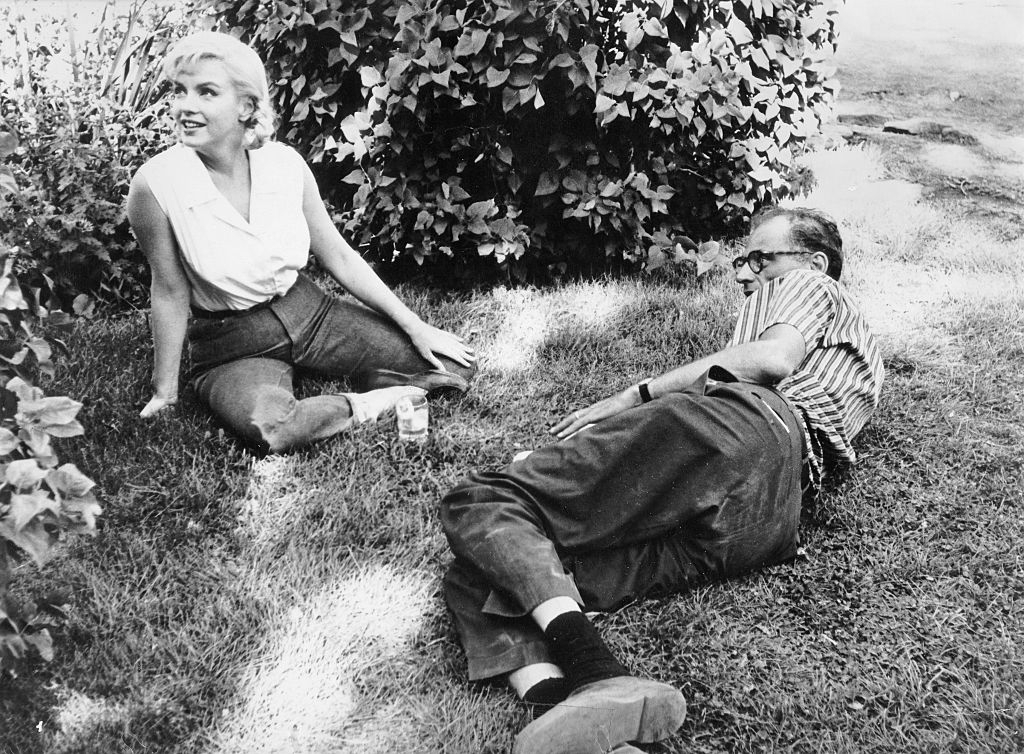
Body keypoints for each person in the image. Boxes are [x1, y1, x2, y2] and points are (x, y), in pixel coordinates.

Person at [439, 207, 884, 753]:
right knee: (483, 572)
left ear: (814, 261)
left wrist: (634, 396)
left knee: (483, 499)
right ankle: (565, 710)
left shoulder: (813, 283)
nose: (745, 274)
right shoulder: (862, 358)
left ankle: (595, 668)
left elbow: (771, 359)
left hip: (740, 431)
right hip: (766, 522)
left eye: (760, 259)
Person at [127, 31, 476, 453]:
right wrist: (165, 392)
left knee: (452, 366)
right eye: (179, 91)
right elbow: (168, 289)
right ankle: (371, 401)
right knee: (276, 428)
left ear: (246, 106)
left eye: (206, 92)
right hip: (231, 344)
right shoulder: (155, 184)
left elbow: (340, 257)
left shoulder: (284, 165)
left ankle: (370, 373)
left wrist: (415, 326)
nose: (185, 106)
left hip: (310, 313)